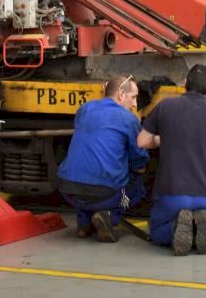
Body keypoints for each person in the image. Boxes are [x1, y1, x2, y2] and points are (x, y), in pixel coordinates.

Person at [138, 64, 206, 255]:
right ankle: (200, 227)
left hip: (171, 194)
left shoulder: (165, 106)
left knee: (156, 231)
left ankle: (174, 229)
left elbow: (142, 141)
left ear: (185, 83)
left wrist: (162, 139)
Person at [57, 75, 150, 242]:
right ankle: (109, 216)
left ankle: (84, 222)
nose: (135, 104)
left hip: (68, 190)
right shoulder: (129, 119)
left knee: (86, 171)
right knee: (137, 187)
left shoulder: (84, 109)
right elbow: (139, 159)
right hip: (103, 194)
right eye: (133, 97)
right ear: (121, 94)